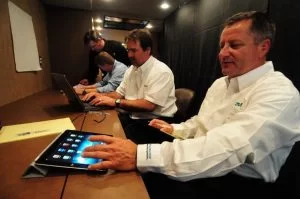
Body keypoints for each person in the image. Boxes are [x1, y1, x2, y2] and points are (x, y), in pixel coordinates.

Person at [81, 11, 300, 197]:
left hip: (239, 182)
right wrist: (176, 128)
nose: (223, 53)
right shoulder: (220, 83)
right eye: (222, 45)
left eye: (234, 45)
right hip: (203, 161)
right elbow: (201, 123)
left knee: (138, 180)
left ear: (263, 47)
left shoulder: (279, 92)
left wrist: (140, 154)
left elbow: (228, 147)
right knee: (125, 178)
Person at [82, 29, 177, 144]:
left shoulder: (161, 71)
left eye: (134, 50)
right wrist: (100, 95)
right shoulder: (131, 69)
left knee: (113, 139)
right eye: (128, 50)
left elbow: (149, 105)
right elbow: (118, 93)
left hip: (157, 122)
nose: (129, 55)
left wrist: (116, 102)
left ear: (147, 50)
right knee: (101, 127)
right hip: (135, 117)